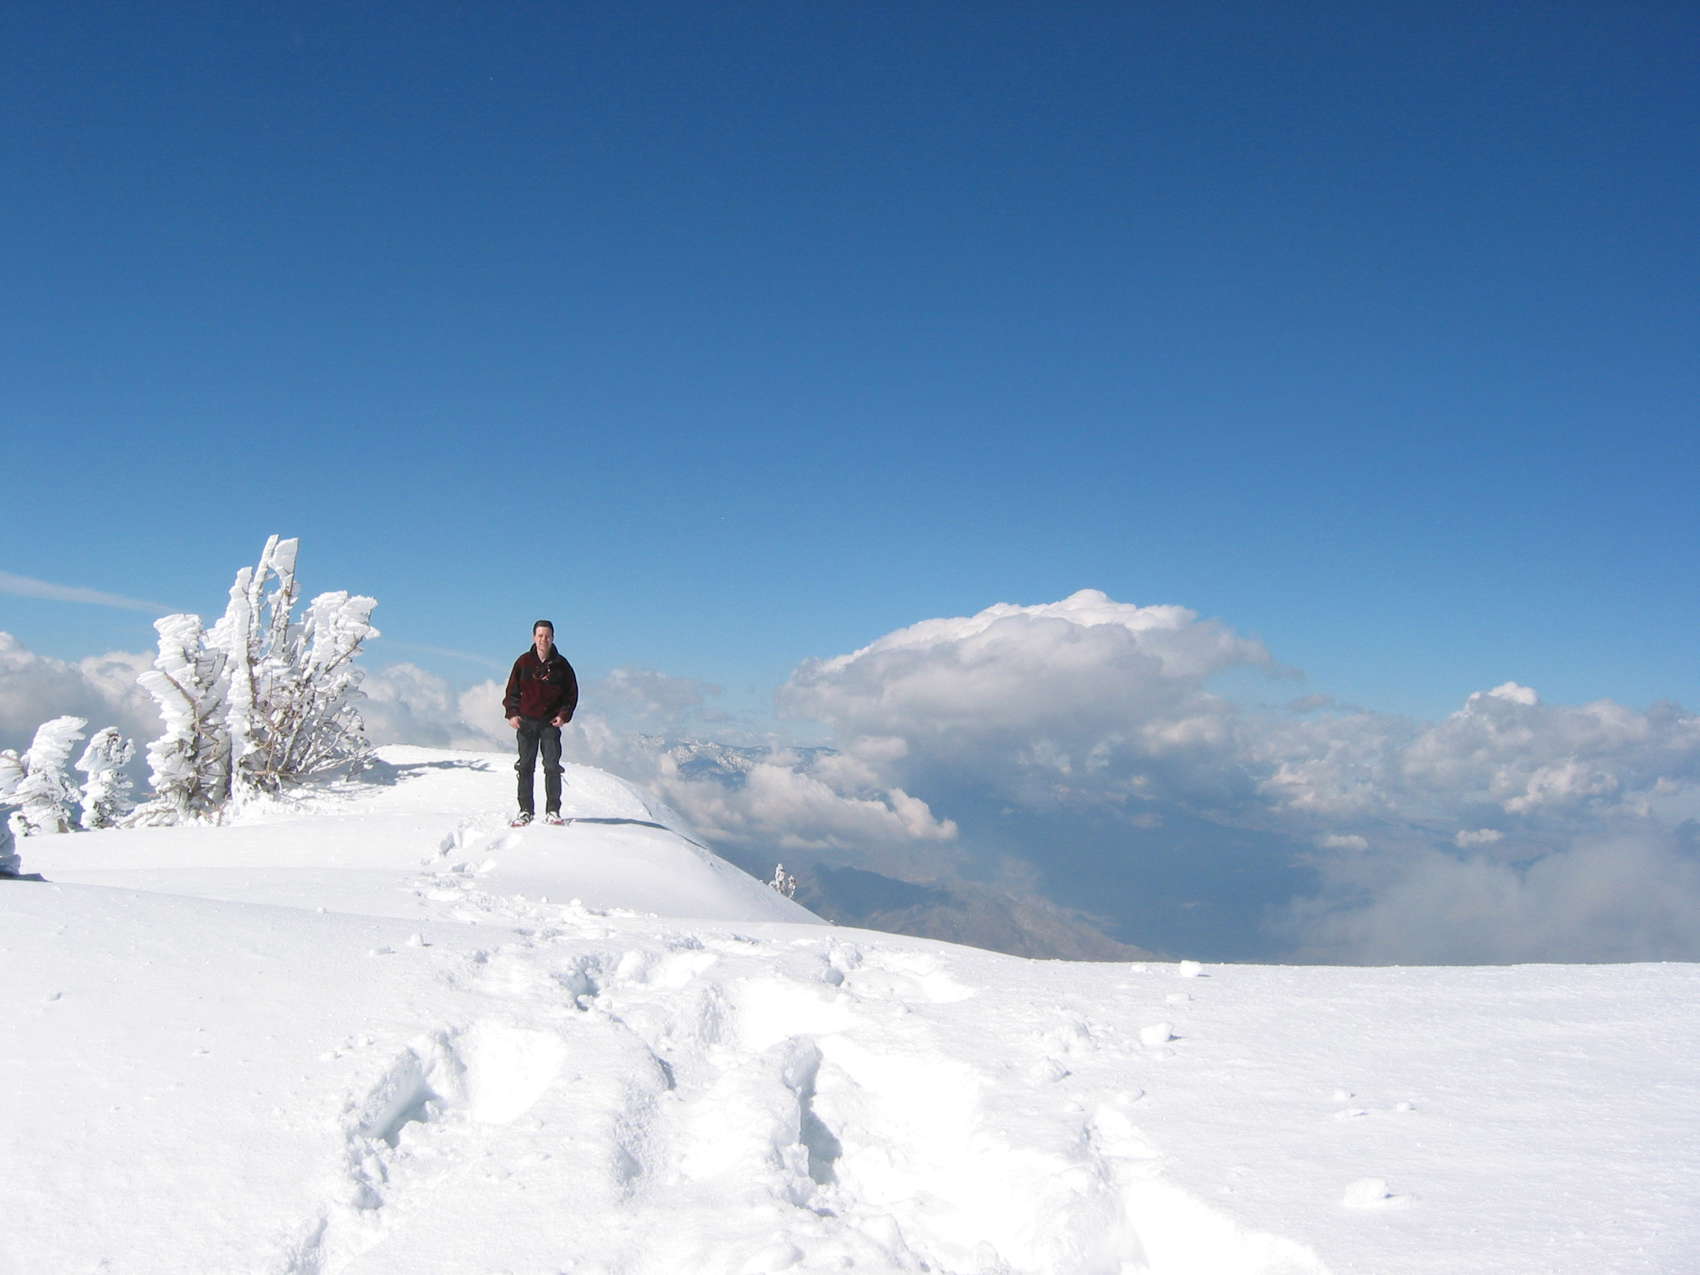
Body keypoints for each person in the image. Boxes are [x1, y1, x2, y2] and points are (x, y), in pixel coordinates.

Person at [503, 619, 579, 826]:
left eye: (547, 636)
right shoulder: (523, 662)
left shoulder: (562, 666)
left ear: (553, 638)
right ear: (533, 637)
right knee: (525, 766)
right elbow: (512, 692)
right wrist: (512, 713)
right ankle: (525, 810)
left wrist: (563, 715)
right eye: (540, 635)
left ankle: (553, 810)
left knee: (552, 766)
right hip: (526, 722)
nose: (543, 639)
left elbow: (571, 694)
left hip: (550, 723)